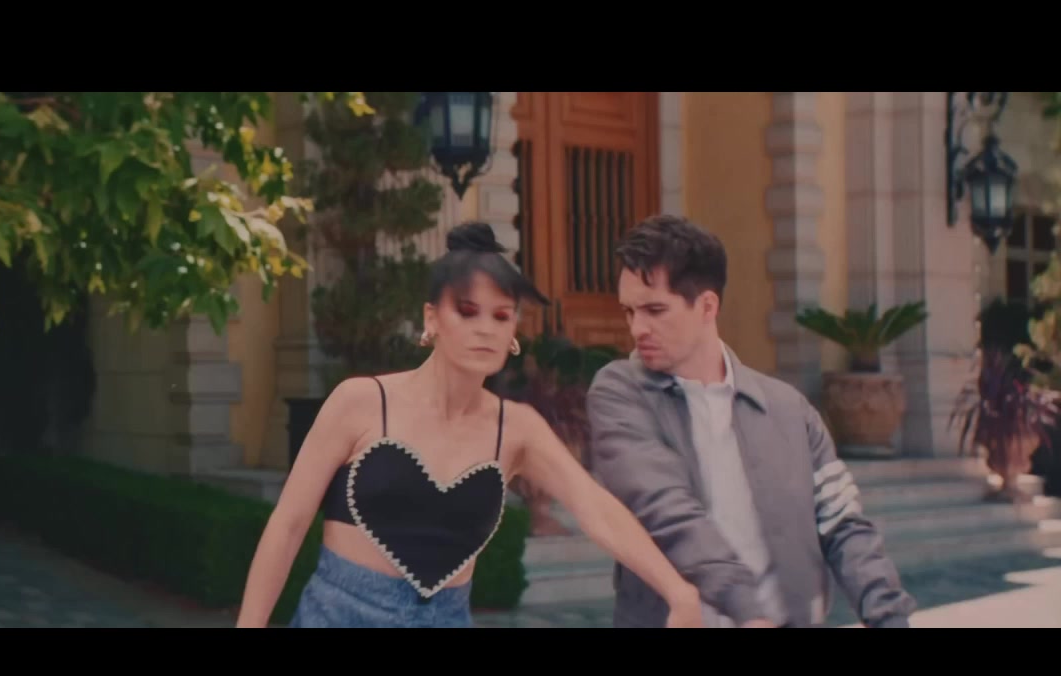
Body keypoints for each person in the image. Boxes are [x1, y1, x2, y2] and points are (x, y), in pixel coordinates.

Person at [235, 222, 705, 628]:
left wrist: (677, 589)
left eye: (501, 316)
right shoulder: (360, 402)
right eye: (467, 311)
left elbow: (595, 507)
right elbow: (289, 524)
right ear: (431, 318)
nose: (485, 329)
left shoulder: (517, 428)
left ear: (513, 332)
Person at [586, 214, 918, 628]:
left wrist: (889, 617)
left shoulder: (788, 409)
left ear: (707, 306)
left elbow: (844, 524)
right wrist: (749, 613)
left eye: (655, 310)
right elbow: (666, 510)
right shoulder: (619, 392)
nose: (637, 328)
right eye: (629, 311)